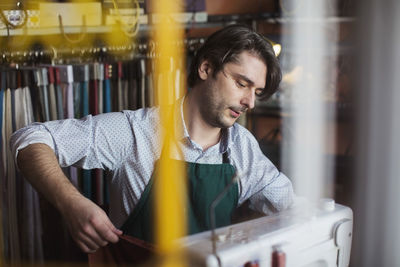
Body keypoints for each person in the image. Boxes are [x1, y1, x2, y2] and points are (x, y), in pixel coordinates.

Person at [10, 24, 294, 254]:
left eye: (256, 92)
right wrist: (71, 203)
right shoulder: (135, 132)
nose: (249, 102)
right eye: (241, 83)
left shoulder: (243, 148)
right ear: (205, 68)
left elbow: (287, 204)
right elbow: (30, 139)